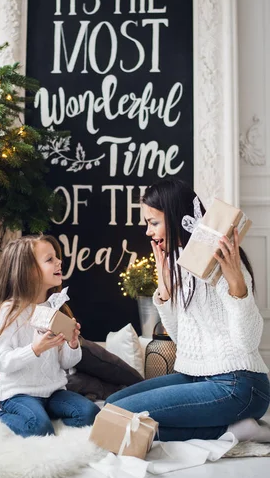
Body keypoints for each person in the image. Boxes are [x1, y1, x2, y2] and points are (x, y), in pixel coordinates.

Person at [106, 179, 270, 442]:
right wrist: (165, 291)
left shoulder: (222, 261)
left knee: (121, 414)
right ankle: (233, 429)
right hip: (196, 377)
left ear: (174, 217)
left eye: (153, 222)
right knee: (111, 405)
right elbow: (183, 340)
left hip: (239, 384)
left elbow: (247, 342)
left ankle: (232, 431)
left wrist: (238, 287)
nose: (148, 232)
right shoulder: (181, 263)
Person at [0, 234, 100, 437]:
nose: (59, 262)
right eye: (50, 259)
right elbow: (1, 362)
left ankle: (45, 420)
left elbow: (66, 363)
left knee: (91, 414)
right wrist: (34, 349)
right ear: (28, 271)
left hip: (54, 392)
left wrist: (72, 345)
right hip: (19, 394)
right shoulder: (9, 311)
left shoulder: (55, 308)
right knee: (39, 428)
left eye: (56, 257)